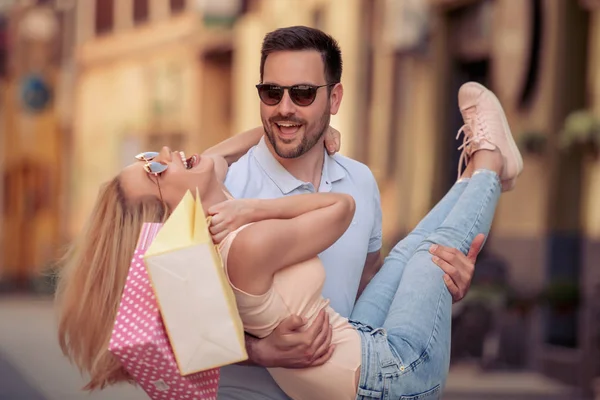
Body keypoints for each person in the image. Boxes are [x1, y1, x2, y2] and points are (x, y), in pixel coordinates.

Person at [55, 79, 522, 400]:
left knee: (413, 255)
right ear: (169, 213)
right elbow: (340, 211)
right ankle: (489, 163)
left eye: (302, 95)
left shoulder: (212, 202)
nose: (163, 153)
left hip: (359, 346)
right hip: (389, 378)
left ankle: (479, 173)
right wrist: (256, 349)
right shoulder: (233, 240)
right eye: (155, 168)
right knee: (430, 254)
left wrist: (304, 132)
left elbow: (217, 155)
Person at [202, 26, 481, 400]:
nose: (284, 108)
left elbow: (370, 288)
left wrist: (438, 283)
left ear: (334, 98)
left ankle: (485, 168)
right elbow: (177, 327)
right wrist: (259, 352)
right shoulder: (226, 188)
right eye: (272, 93)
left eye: (302, 93)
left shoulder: (360, 182)